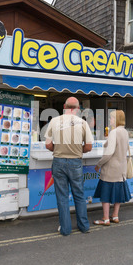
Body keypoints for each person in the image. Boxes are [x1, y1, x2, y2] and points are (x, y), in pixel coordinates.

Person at [45, 97, 93, 236]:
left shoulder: (54, 121)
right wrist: (78, 151)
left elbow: (48, 144)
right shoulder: (83, 123)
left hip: (58, 162)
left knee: (62, 196)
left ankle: (66, 229)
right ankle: (84, 226)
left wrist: (58, 149)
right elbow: (89, 146)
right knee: (79, 194)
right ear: (78, 109)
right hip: (76, 162)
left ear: (64, 106)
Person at [93, 110, 131, 226]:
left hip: (110, 169)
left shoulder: (114, 132)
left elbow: (109, 153)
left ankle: (105, 218)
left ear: (117, 119)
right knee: (118, 192)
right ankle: (115, 215)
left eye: (112, 118)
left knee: (106, 194)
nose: (110, 120)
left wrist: (99, 164)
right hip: (121, 168)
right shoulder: (125, 132)